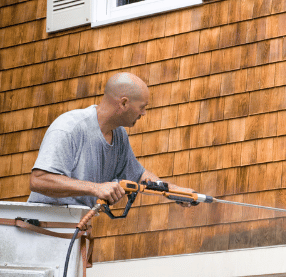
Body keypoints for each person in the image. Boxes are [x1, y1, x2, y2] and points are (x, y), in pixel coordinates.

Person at [28, 72, 190, 208]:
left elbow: (139, 176)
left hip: (77, 226)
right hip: (42, 228)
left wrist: (175, 192)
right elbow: (39, 180)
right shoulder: (69, 127)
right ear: (124, 103)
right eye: (142, 107)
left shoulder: (119, 135)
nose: (144, 113)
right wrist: (95, 188)